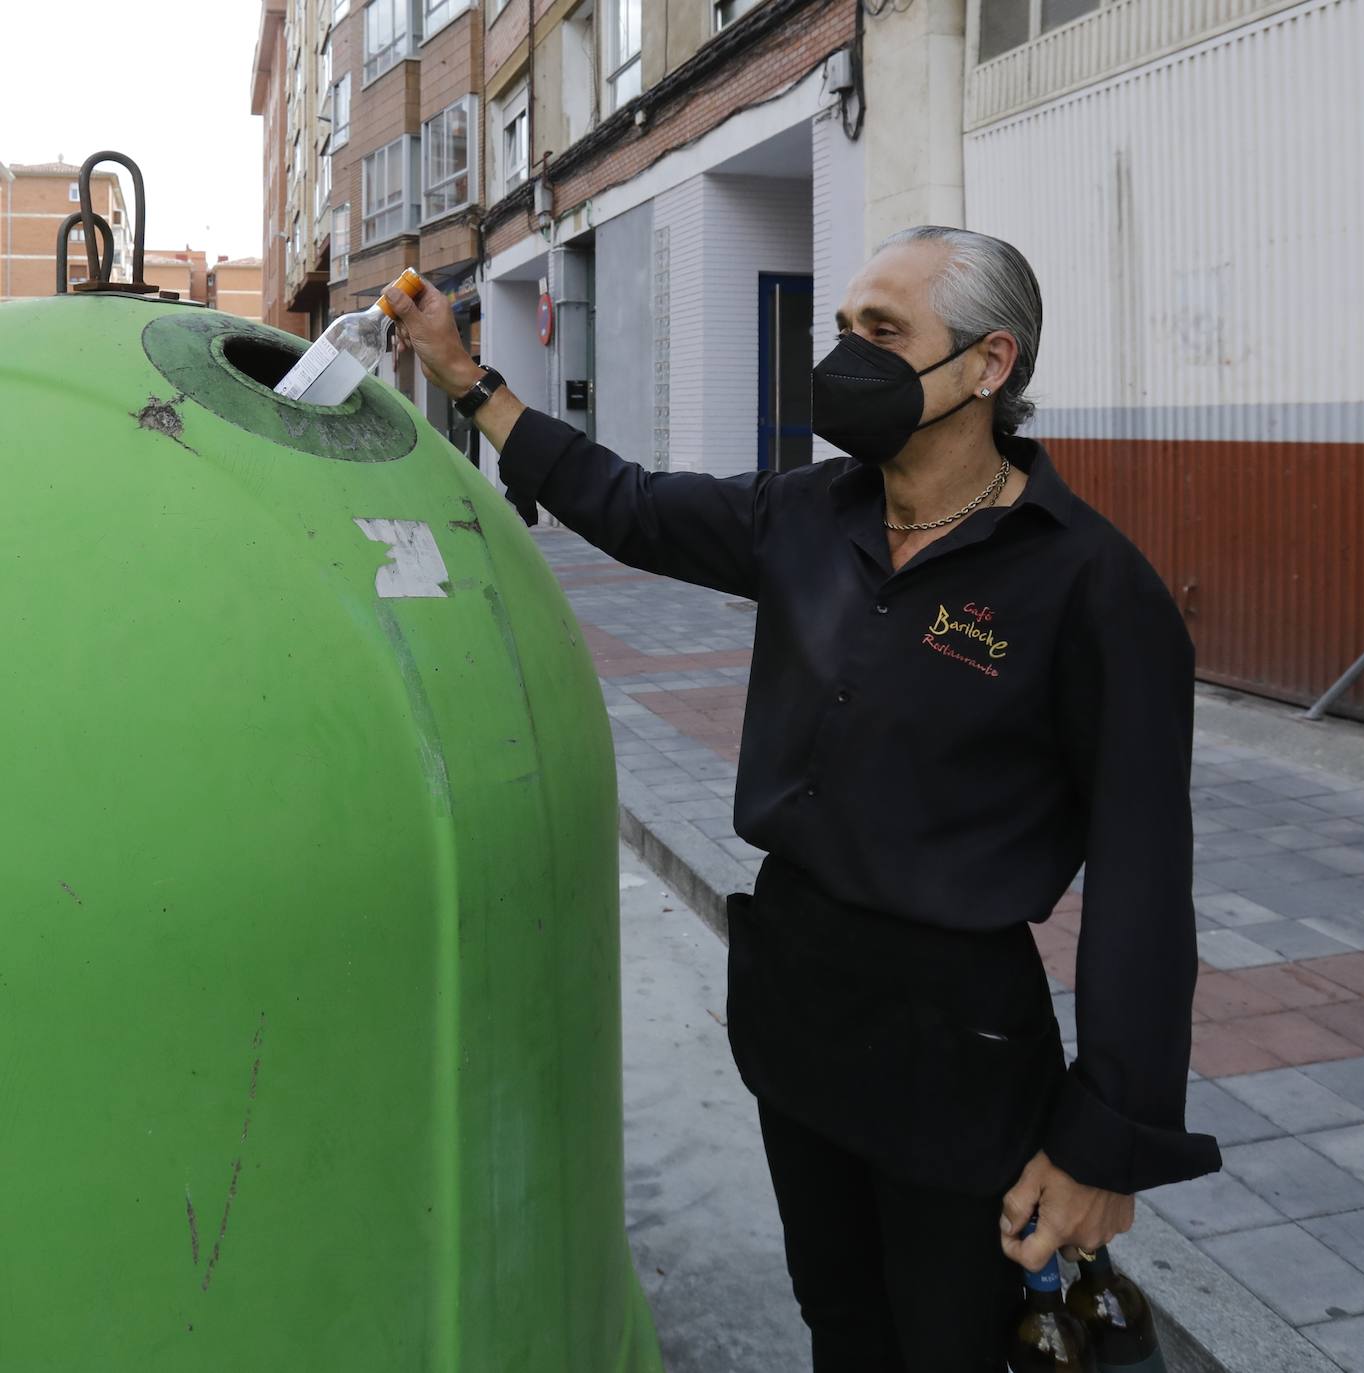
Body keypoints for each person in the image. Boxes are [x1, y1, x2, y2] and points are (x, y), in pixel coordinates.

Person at [385, 226, 1222, 1372]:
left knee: (952, 1345)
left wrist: (1102, 1146)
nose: (846, 359)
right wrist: (466, 377)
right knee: (839, 1321)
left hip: (955, 1047)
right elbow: (627, 503)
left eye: (884, 334)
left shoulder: (1090, 585)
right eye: (842, 331)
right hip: (798, 1014)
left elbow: (1142, 882)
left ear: (991, 365)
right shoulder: (807, 514)